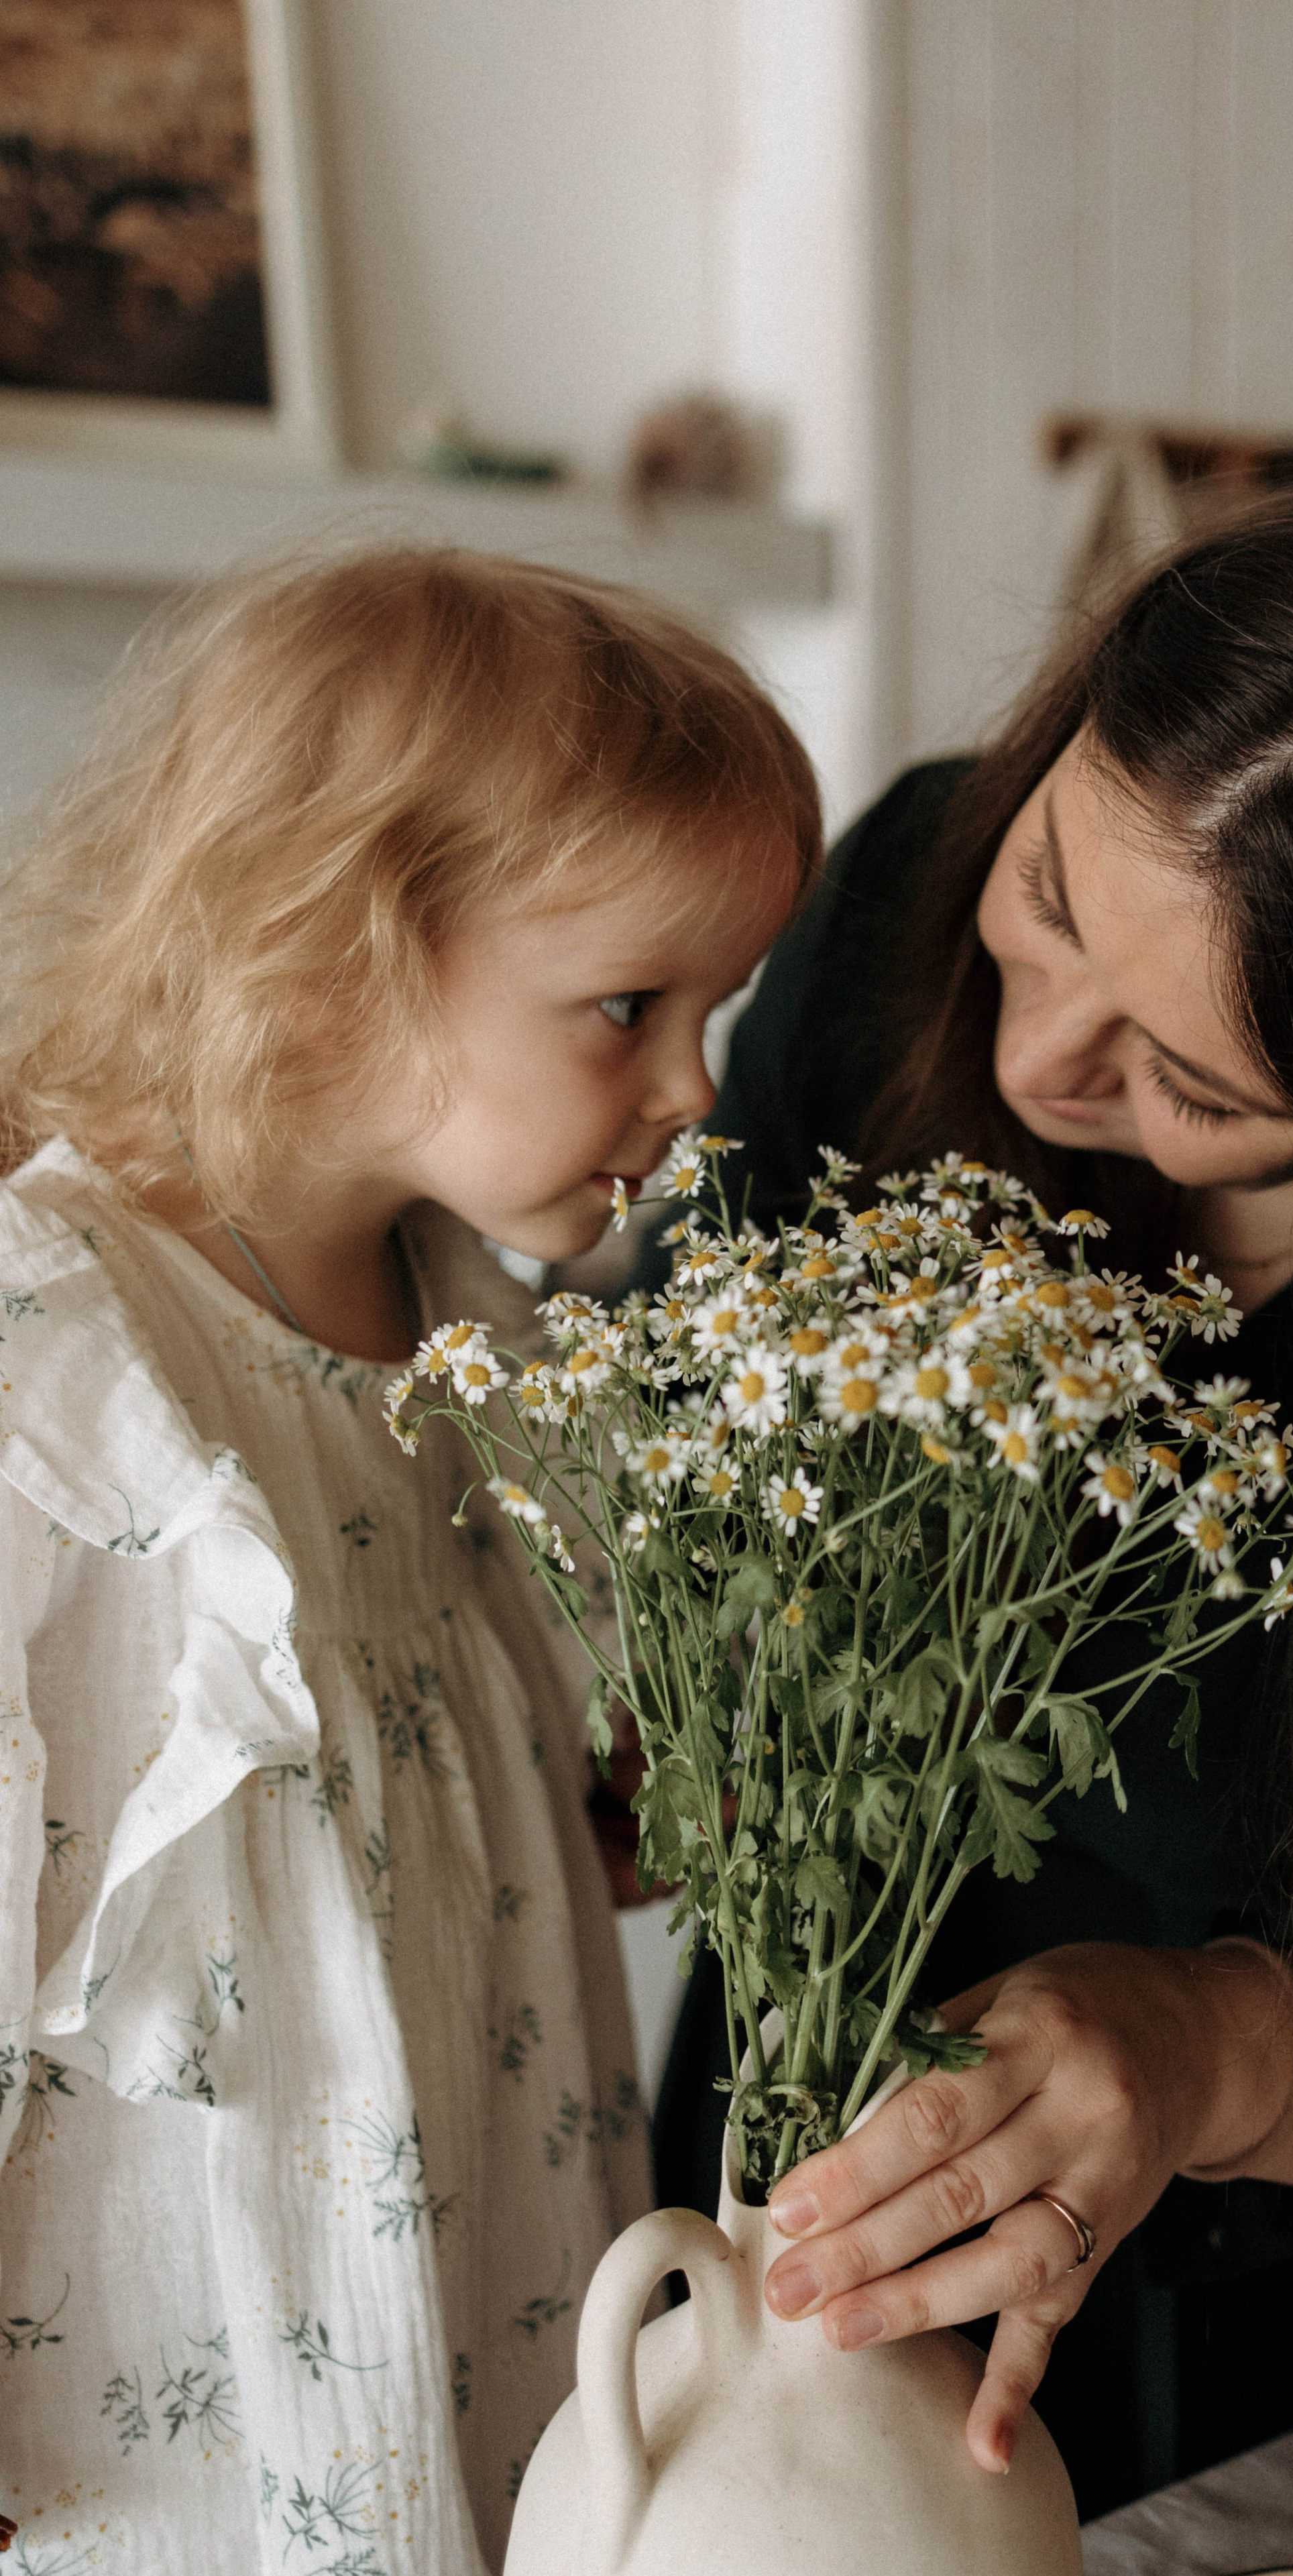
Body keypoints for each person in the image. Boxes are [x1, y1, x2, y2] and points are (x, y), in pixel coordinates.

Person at [649, 464, 1293, 2556]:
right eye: (1050, 893)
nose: (1041, 1058)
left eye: (1198, 1091)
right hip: (789, 2252)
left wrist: (1218, 2041)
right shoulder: (884, 938)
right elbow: (706, 1439)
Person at [0, 550, 817, 2573]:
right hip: (181, 2365)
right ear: (324, 946)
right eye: (628, 1003)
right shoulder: (68, 1369)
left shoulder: (484, 1335)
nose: (699, 1084)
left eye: (718, 1005)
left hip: (479, 2251)